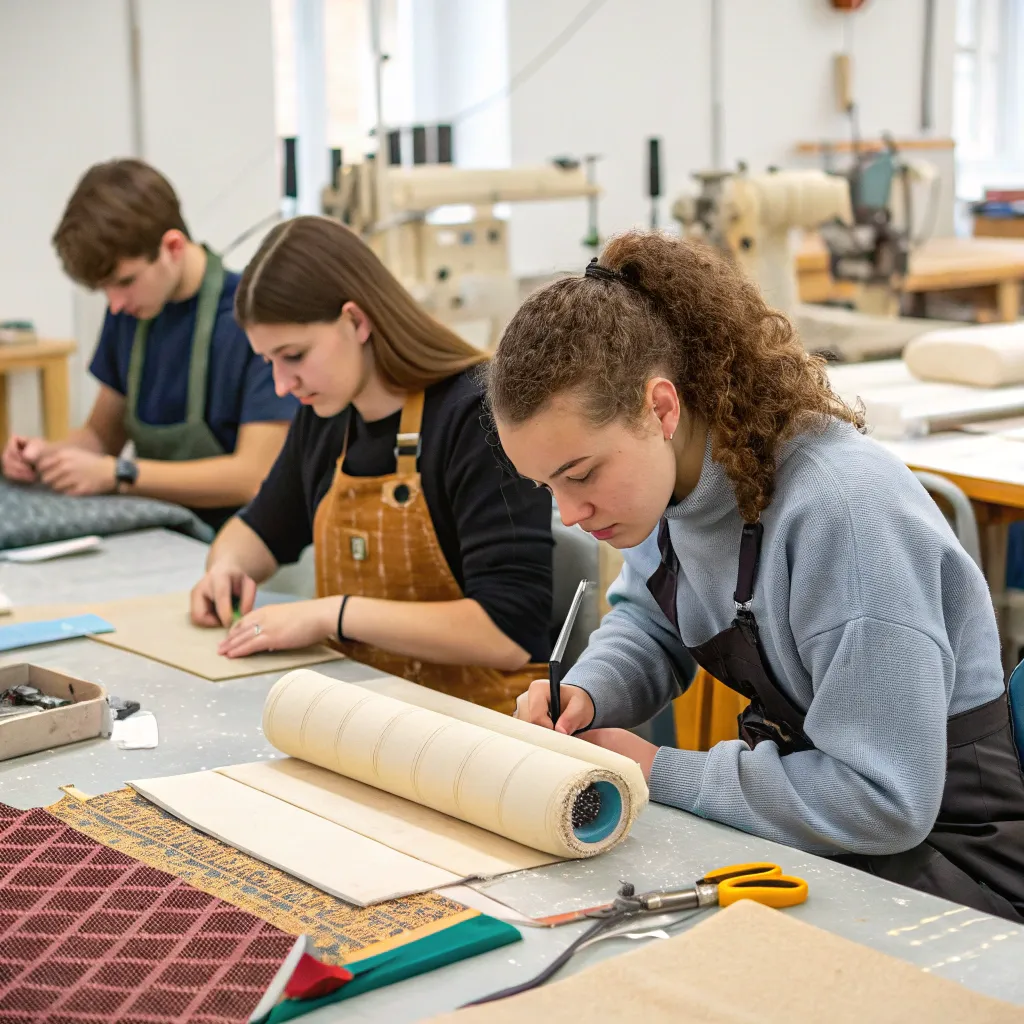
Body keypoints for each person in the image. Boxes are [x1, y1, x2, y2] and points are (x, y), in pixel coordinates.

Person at [491, 230, 1024, 922]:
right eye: (546, 487)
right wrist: (589, 694)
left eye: (582, 474)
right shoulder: (666, 487)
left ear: (660, 408)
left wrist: (658, 770)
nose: (569, 513)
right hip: (831, 841)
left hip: (959, 877)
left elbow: (885, 799)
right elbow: (653, 621)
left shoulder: (843, 515)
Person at [189, 215, 553, 712]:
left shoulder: (478, 416)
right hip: (367, 713)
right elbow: (260, 530)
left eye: (293, 355)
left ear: (356, 321)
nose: (280, 384)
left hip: (482, 727)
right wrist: (225, 567)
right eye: (268, 361)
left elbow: (505, 632)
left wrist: (331, 616)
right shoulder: (327, 417)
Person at [0, 159, 296, 530]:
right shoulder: (131, 313)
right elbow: (101, 437)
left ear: (172, 246)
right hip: (160, 526)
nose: (115, 303)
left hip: (244, 544)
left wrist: (120, 474)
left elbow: (252, 476)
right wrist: (49, 457)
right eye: (104, 290)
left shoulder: (252, 319)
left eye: (124, 282)